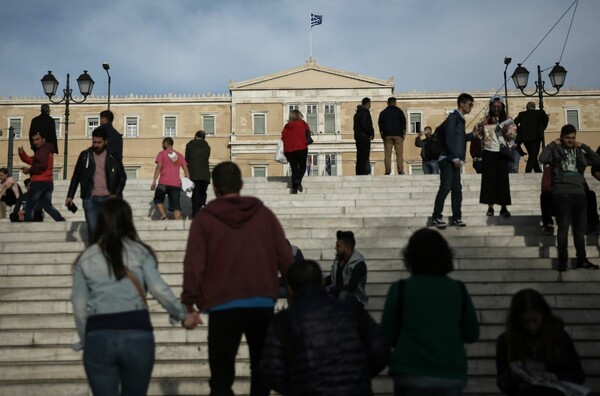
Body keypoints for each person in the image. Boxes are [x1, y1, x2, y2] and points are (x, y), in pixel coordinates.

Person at [181, 161, 293, 396]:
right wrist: (295, 290)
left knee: (221, 377)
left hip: (222, 304)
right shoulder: (263, 214)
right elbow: (284, 255)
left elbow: (194, 264)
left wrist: (189, 303)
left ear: (214, 188)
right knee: (261, 369)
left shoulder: (205, 219)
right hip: (261, 301)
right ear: (241, 185)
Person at [71, 198, 199, 396]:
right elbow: (159, 290)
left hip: (99, 334)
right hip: (137, 332)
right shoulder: (140, 252)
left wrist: (85, 339)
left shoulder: (86, 257)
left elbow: (79, 307)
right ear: (128, 220)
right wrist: (183, 314)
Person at [260, 260, 389, 396]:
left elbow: (271, 368)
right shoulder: (351, 310)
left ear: (290, 288)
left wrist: (295, 388)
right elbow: (380, 349)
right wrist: (359, 378)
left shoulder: (284, 320)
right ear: (320, 282)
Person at [381, 228, 479, 396]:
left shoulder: (400, 289)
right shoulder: (458, 289)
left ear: (410, 257)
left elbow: (387, 336)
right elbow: (471, 334)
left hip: (409, 372)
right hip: (449, 373)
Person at [496, 289, 585, 396]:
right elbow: (501, 381)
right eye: (525, 321)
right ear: (517, 320)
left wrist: (556, 376)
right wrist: (511, 377)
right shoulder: (505, 341)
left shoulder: (559, 336)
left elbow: (578, 374)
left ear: (543, 315)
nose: (531, 326)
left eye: (535, 320)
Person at [539, 124, 600, 271]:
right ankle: (563, 260)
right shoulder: (555, 151)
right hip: (562, 193)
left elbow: (597, 160)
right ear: (561, 137)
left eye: (573, 138)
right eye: (567, 138)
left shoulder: (579, 151)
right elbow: (542, 158)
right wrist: (553, 144)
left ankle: (582, 260)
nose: (570, 141)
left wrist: (583, 145)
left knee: (579, 231)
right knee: (563, 229)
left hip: (579, 193)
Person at [66, 127, 127, 242]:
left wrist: (116, 194)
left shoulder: (113, 157)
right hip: (90, 198)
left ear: (106, 142)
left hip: (108, 199)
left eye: (99, 142)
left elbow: (122, 177)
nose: (96, 145)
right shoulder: (85, 155)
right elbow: (76, 176)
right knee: (93, 230)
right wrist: (70, 195)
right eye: (94, 142)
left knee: (110, 231)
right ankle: (95, 257)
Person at [431, 93, 475, 229]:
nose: (471, 107)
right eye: (469, 104)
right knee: (446, 187)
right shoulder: (453, 118)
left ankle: (457, 217)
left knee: (457, 189)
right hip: (447, 159)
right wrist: (455, 157)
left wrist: (473, 135)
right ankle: (436, 217)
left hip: (453, 159)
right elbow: (450, 138)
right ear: (461, 104)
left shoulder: (459, 119)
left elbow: (460, 139)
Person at [475, 95, 516, 218]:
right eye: (494, 106)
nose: (496, 108)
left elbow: (513, 136)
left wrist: (505, 131)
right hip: (488, 152)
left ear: (502, 107)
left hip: (502, 152)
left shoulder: (508, 120)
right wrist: (483, 129)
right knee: (489, 181)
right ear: (491, 107)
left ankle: (503, 207)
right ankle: (490, 207)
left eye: (499, 106)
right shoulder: (485, 120)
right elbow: (476, 133)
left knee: (503, 180)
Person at [18, 132, 65, 222]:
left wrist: (29, 170)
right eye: (33, 140)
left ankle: (27, 226)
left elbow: (41, 165)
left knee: (30, 204)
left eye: (37, 139)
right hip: (48, 182)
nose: (35, 142)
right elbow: (33, 161)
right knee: (47, 206)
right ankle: (60, 220)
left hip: (39, 182)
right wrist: (23, 154)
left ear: (43, 139)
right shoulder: (44, 150)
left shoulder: (43, 150)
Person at [323, 230, 368, 306]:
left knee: (343, 295)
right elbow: (332, 278)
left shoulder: (358, 264)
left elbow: (350, 288)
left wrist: (329, 290)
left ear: (347, 247)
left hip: (355, 301)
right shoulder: (338, 260)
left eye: (338, 246)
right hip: (337, 296)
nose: (335, 248)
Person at [151, 137, 190, 220]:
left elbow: (159, 167)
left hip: (163, 183)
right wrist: (188, 183)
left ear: (165, 143)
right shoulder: (179, 155)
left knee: (157, 200)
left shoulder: (161, 153)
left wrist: (154, 181)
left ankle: (165, 217)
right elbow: (186, 170)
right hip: (175, 184)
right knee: (176, 206)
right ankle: (177, 224)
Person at [514, 101, 549, 173]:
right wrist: (542, 128)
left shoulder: (522, 114)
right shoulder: (540, 112)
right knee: (533, 154)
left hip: (525, 138)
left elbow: (514, 123)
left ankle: (537, 170)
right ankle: (528, 170)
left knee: (532, 154)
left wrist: (520, 129)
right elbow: (546, 120)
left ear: (527, 107)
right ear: (534, 107)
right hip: (536, 137)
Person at [281, 109, 310, 194]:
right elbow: (308, 134)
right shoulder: (303, 124)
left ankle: (294, 189)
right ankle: (298, 181)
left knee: (294, 168)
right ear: (299, 115)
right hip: (301, 148)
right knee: (302, 166)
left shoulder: (286, 126)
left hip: (289, 150)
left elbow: (283, 137)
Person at [185, 130, 211, 216]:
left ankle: (195, 214)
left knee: (195, 195)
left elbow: (187, 159)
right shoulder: (207, 147)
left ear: (196, 136)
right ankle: (202, 207)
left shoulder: (189, 146)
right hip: (205, 175)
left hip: (194, 174)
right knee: (203, 193)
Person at [379, 96, 407, 175]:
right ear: (395, 102)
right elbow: (404, 123)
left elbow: (380, 124)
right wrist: (403, 134)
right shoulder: (399, 111)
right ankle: (400, 170)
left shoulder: (383, 112)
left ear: (388, 103)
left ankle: (388, 170)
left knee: (387, 154)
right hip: (398, 135)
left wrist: (382, 134)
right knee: (399, 154)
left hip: (387, 135)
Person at [354, 97, 375, 175]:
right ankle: (364, 171)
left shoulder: (356, 114)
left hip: (358, 137)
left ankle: (359, 171)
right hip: (364, 137)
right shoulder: (365, 112)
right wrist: (371, 133)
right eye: (370, 104)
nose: (370, 105)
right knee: (365, 155)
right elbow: (365, 124)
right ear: (368, 103)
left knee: (359, 155)